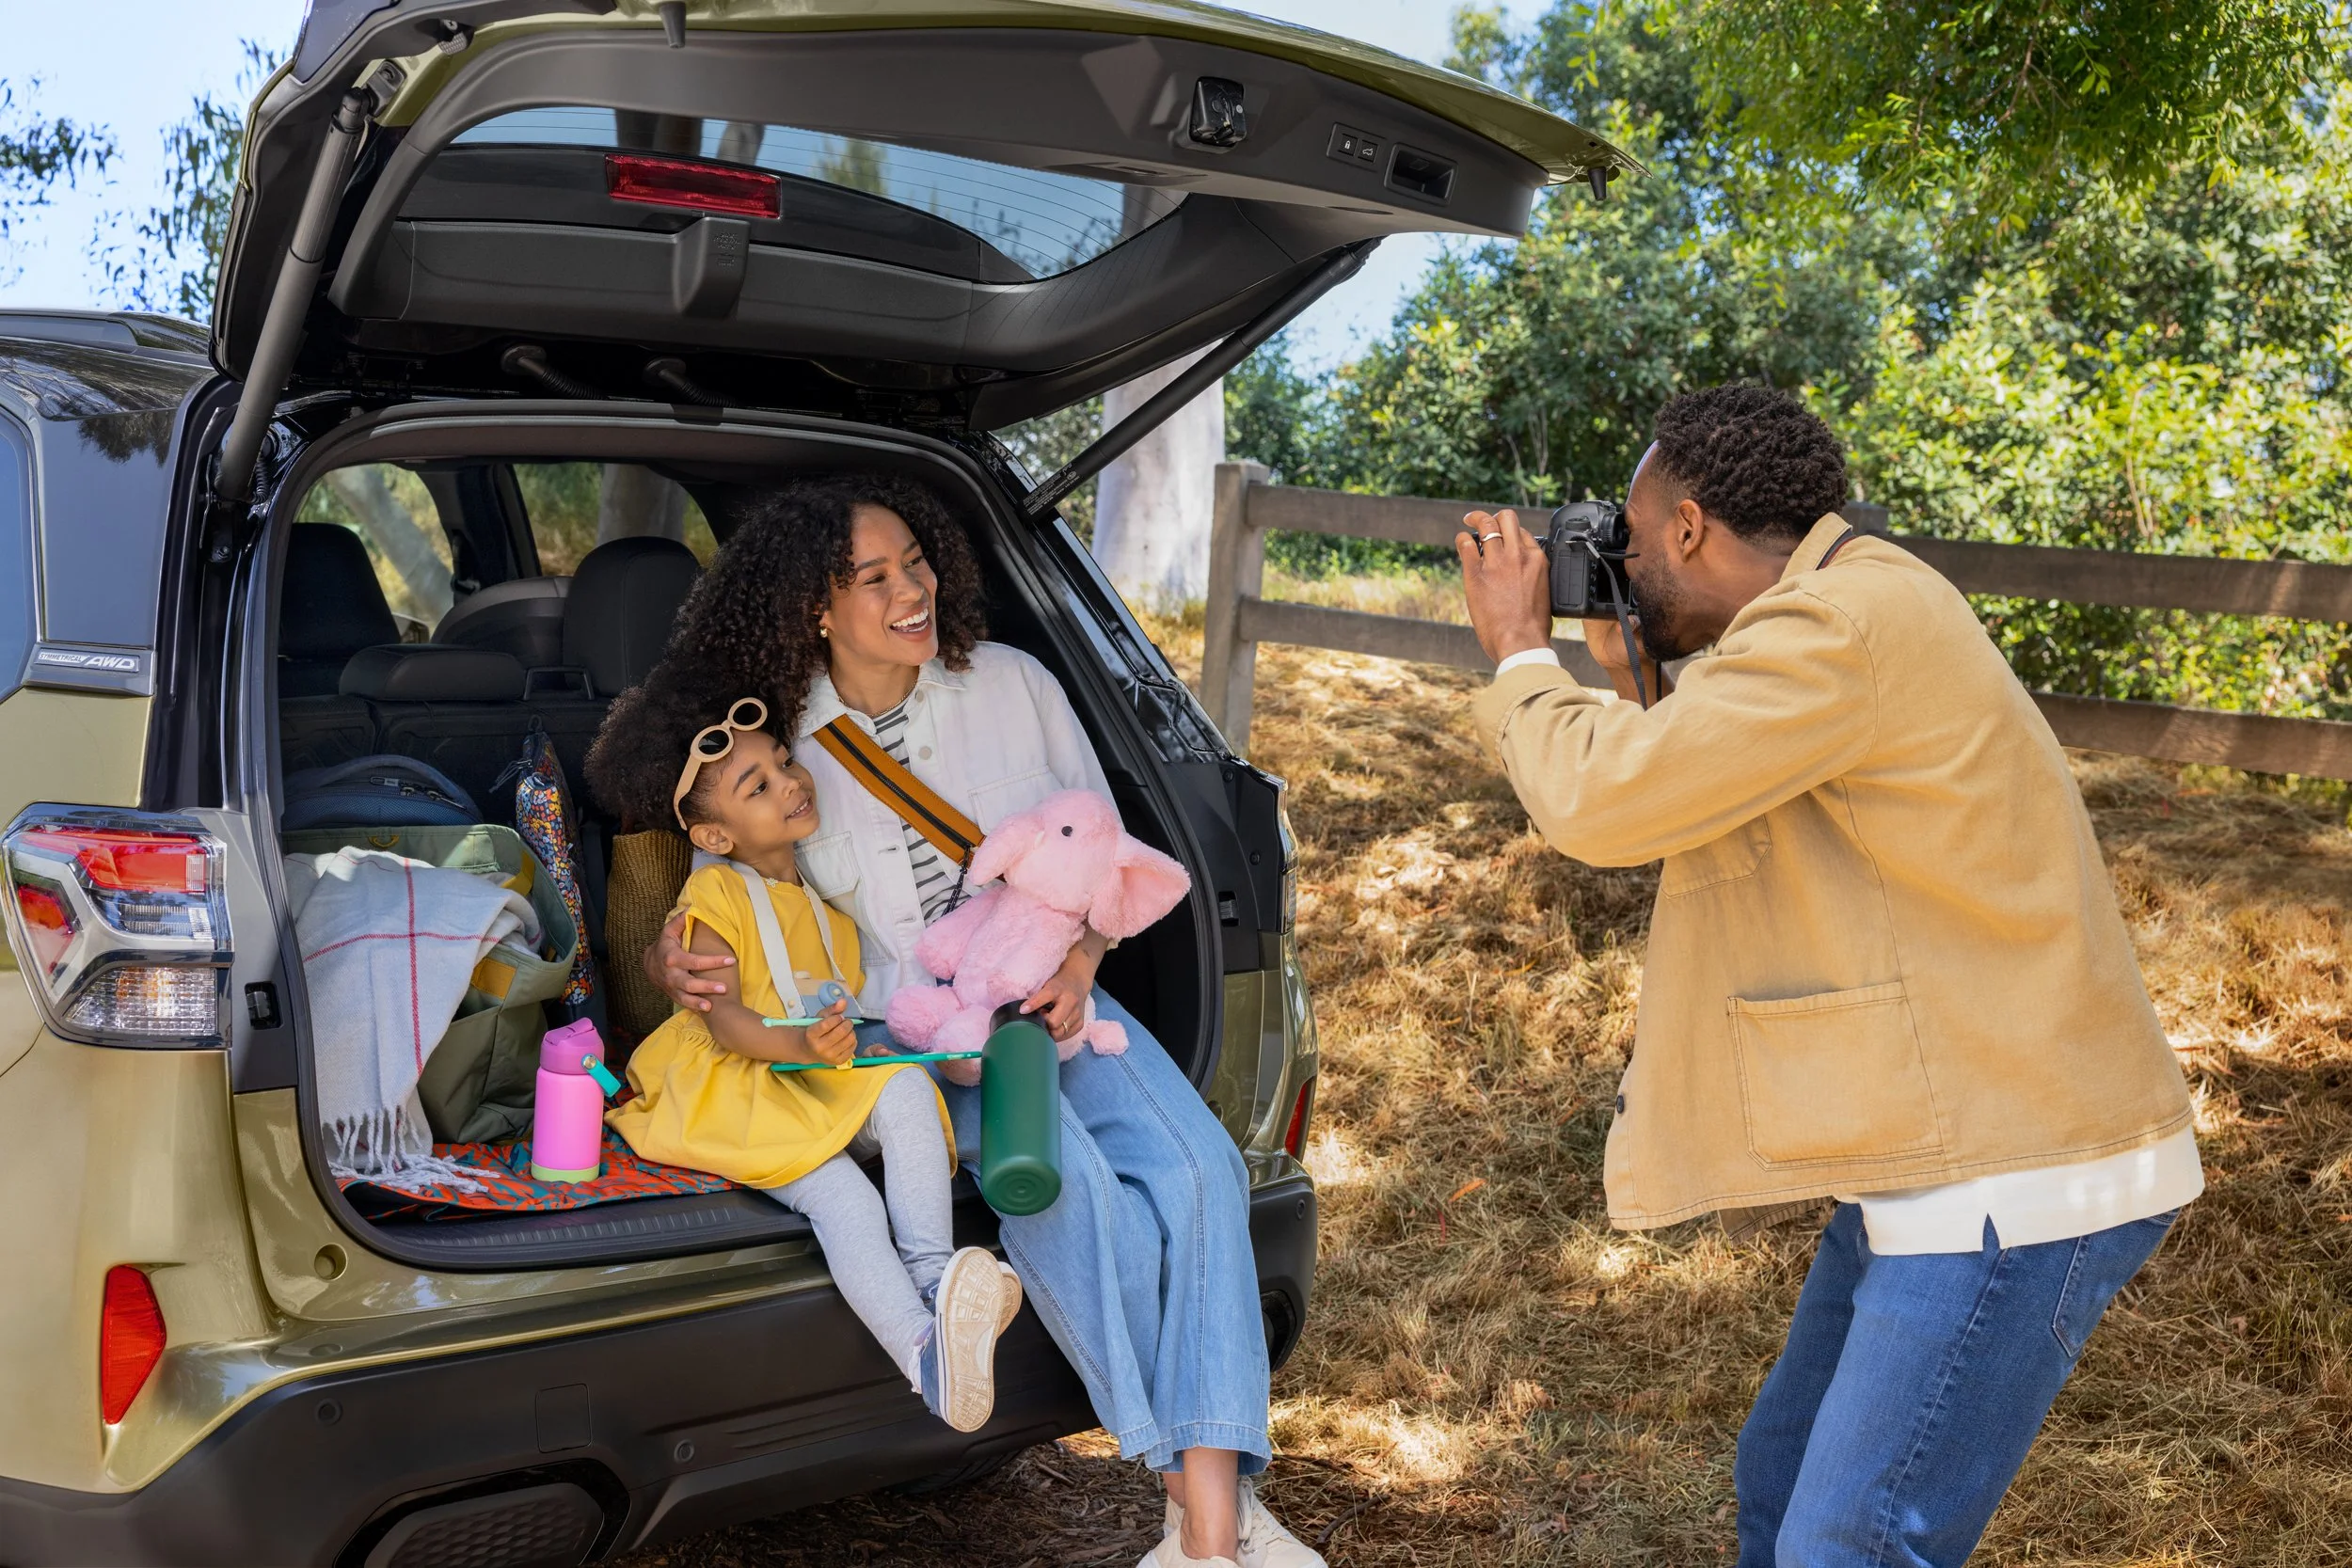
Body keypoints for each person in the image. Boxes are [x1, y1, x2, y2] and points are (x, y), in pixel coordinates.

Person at [1455, 385, 2203, 1568]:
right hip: (1932, 1141)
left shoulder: (1839, 628)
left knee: (1849, 1540)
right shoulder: (1839, 607)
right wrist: (1632, 671)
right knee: (1785, 1480)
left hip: (2013, 1170)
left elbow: (1608, 804)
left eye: (1637, 544)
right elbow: (1721, 777)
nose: (1628, 566)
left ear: (1692, 528)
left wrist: (1514, 654)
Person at [641, 473, 1322, 1568]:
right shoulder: (780, 754)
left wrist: (1085, 957)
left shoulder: (1016, 682)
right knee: (1078, 1194)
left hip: (1056, 1002)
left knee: (1204, 1172)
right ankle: (1202, 1510)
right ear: (816, 607)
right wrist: (672, 959)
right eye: (876, 578)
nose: (913, 590)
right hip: (919, 1039)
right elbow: (727, 897)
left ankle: (1207, 1530)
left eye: (918, 561)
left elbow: (1102, 851)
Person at [585, 682, 1019, 1433]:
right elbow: (722, 1021)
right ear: (717, 835)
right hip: (732, 1083)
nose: (790, 782)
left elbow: (836, 1020)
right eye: (759, 785)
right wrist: (800, 1044)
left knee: (909, 1090)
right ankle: (924, 1353)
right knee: (843, 1198)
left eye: (784, 763)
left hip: (801, 1073)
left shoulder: (827, 916)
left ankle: (936, 1281)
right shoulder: (712, 895)